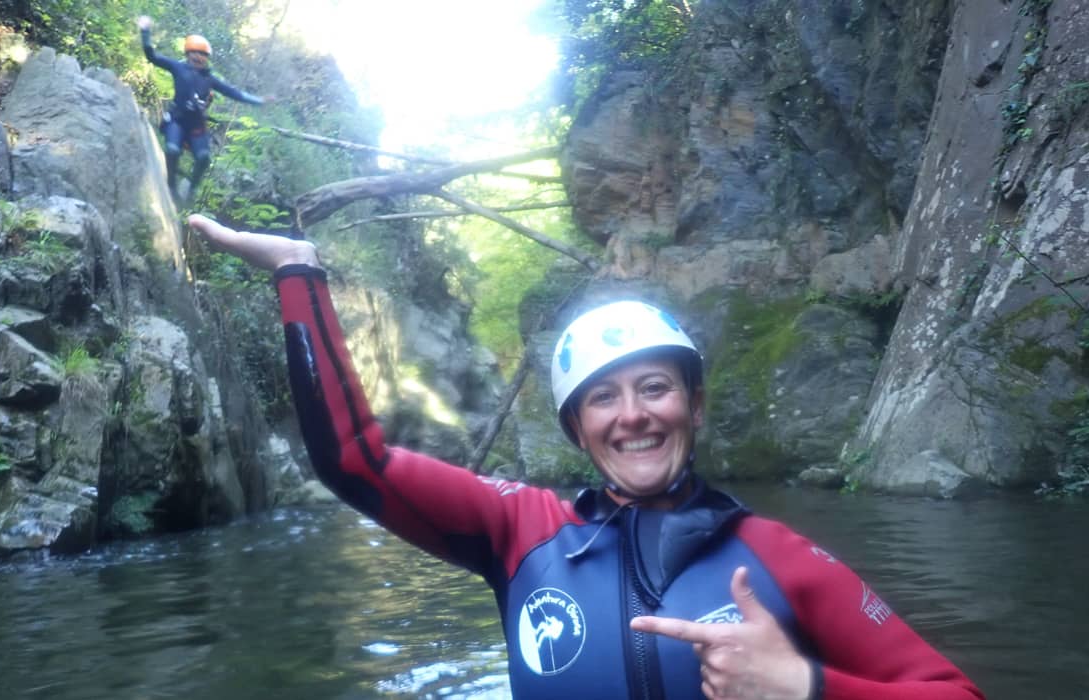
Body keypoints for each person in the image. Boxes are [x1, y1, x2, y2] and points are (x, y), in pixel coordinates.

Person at [187, 213, 986, 700]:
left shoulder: (778, 560)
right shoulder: (517, 530)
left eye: (654, 389)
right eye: (603, 399)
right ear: (577, 430)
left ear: (694, 406)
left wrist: (808, 689)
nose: (632, 415)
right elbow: (353, 461)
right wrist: (299, 270)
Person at [136, 16, 272, 204]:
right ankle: (171, 186)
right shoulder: (177, 67)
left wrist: (259, 101)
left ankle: (191, 189)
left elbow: (234, 93)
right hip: (177, 120)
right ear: (188, 53)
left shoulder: (210, 78)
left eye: (203, 55)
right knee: (173, 150)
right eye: (195, 53)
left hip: (196, 126)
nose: (199, 58)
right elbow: (152, 56)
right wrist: (145, 32)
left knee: (204, 157)